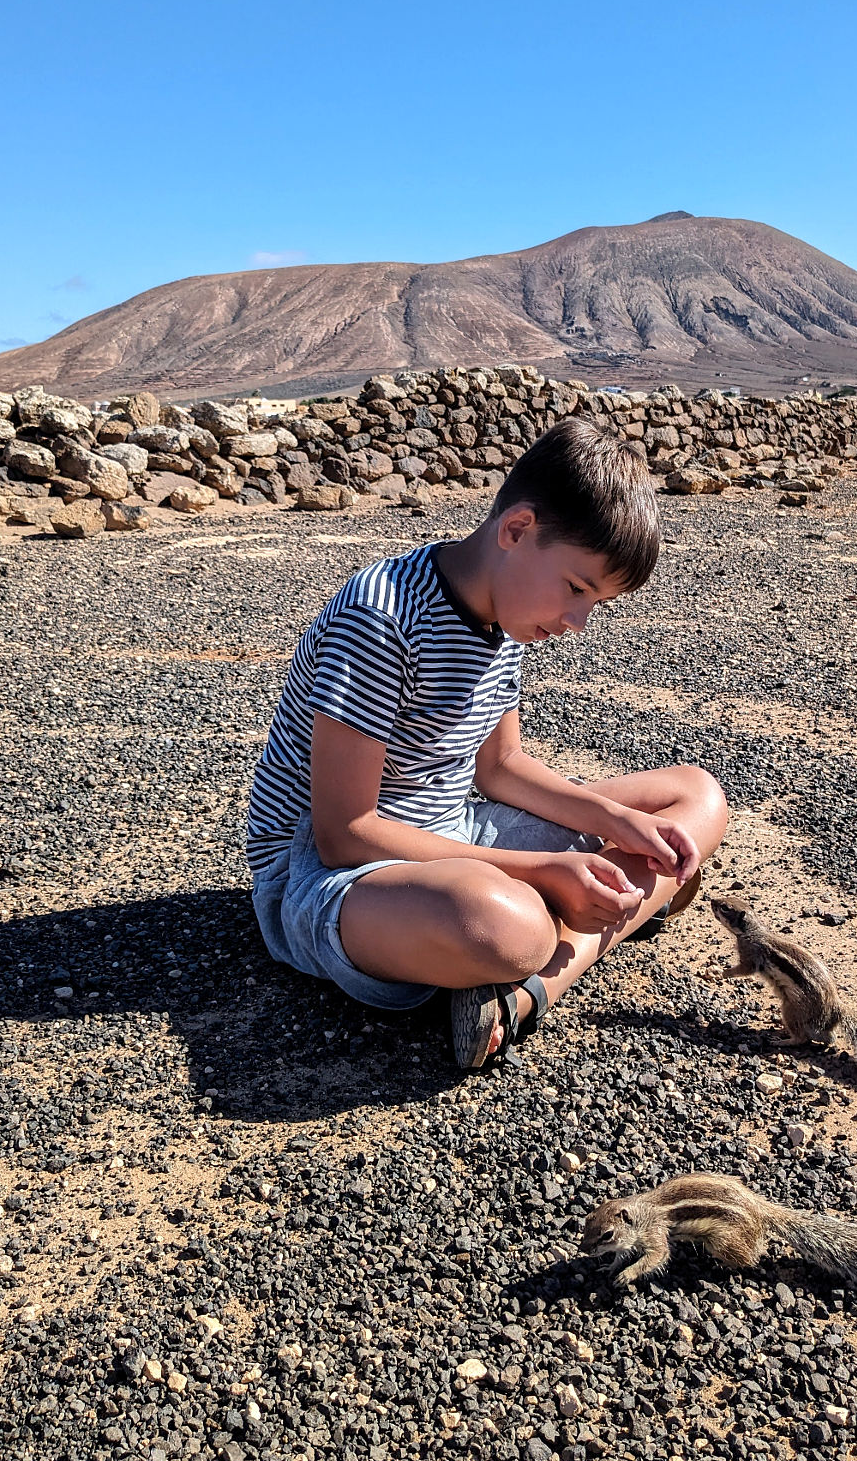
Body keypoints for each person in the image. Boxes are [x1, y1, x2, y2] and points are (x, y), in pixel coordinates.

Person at [246, 416, 729, 1068]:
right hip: (333, 877)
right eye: (577, 589)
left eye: (598, 605)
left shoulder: (501, 619)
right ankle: (573, 940)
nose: (578, 623)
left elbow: (500, 768)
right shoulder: (381, 615)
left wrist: (617, 820)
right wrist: (545, 872)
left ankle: (524, 989)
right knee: (509, 926)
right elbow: (345, 833)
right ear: (517, 530)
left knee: (695, 797)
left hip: (457, 829)